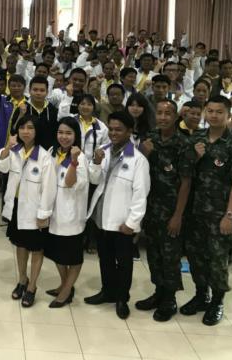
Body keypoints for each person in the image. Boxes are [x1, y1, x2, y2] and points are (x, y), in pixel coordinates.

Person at [180, 95, 232, 325]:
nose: (214, 115)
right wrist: (195, 156)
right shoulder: (196, 138)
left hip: (220, 214)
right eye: (210, 111)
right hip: (195, 211)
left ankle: (217, 301)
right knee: (195, 256)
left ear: (228, 115)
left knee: (217, 260)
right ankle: (202, 295)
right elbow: (184, 172)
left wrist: (230, 215)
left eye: (219, 112)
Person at [84, 111, 150, 319]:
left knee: (123, 262)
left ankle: (122, 298)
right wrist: (96, 162)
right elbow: (94, 180)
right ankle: (107, 292)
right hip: (101, 216)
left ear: (129, 131)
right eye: (111, 129)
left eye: (118, 130)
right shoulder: (102, 151)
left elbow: (141, 194)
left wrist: (132, 222)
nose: (113, 133)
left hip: (122, 222)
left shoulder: (138, 160)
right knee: (105, 258)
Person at [135, 100, 191, 321]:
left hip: (171, 210)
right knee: (154, 254)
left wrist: (178, 216)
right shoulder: (150, 139)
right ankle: (158, 292)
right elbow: (139, 170)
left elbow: (186, 182)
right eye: (159, 113)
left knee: (170, 256)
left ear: (176, 117)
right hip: (151, 208)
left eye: (168, 113)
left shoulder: (183, 144)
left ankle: (170, 299)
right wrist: (144, 152)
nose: (163, 117)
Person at [0, 115, 57, 307]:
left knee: (36, 249)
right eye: (22, 127)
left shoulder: (45, 157)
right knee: (20, 245)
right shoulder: (15, 151)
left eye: (30, 128)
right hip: (16, 207)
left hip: (34, 210)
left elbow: (49, 189)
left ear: (37, 131)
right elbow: (1, 167)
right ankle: (22, 280)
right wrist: (8, 147)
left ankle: (32, 287)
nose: (25, 131)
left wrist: (43, 214)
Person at [44, 117, 88, 308]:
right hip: (53, 214)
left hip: (71, 217)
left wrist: (74, 161)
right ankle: (65, 285)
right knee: (57, 254)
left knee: (73, 257)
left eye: (69, 133)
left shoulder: (81, 158)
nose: (64, 137)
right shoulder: (52, 152)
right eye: (60, 132)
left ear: (76, 135)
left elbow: (70, 183)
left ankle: (66, 291)